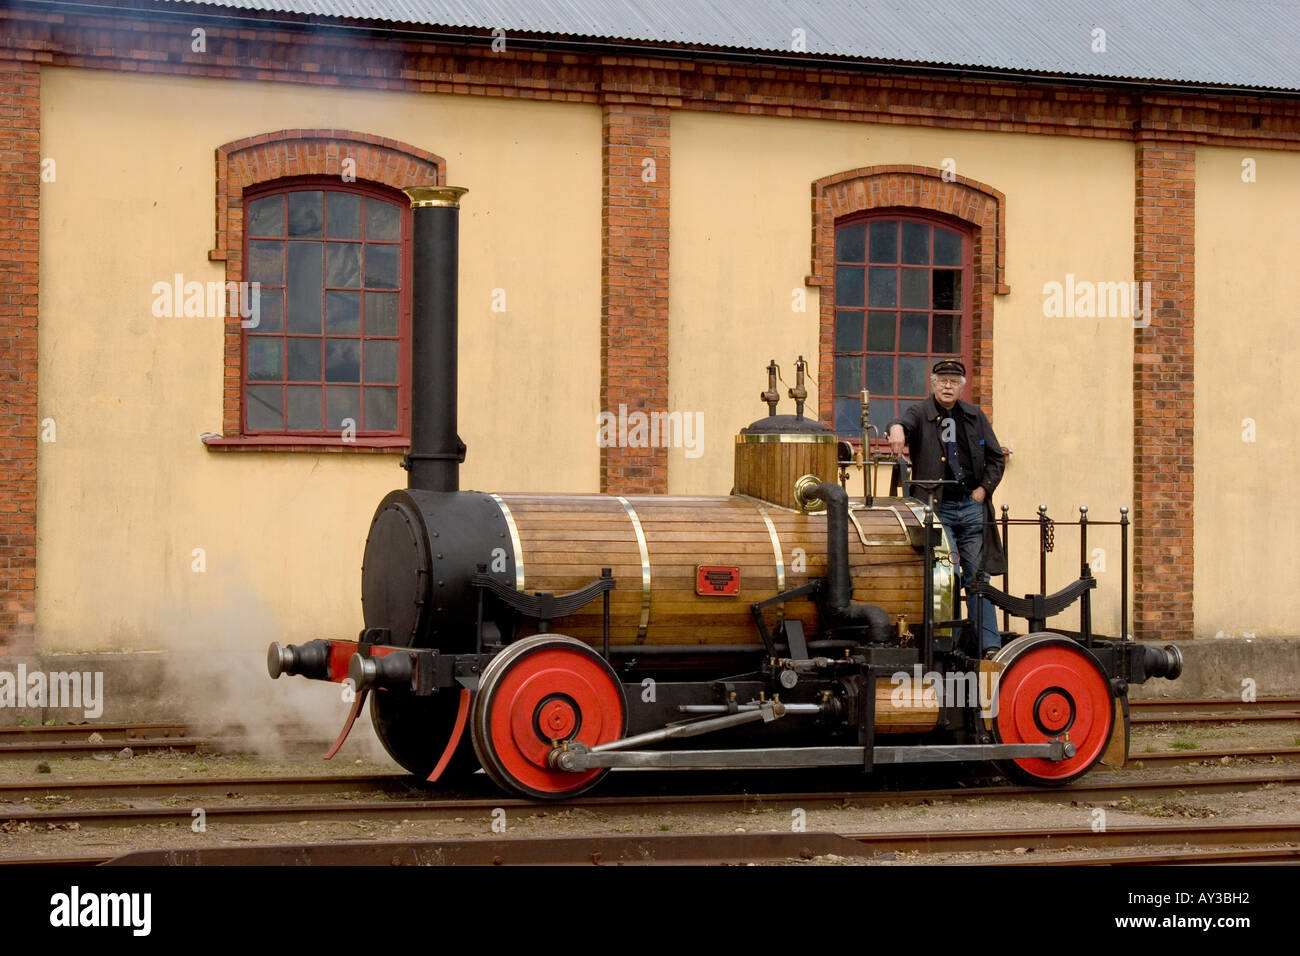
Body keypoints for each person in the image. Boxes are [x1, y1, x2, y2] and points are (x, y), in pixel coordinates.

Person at [886, 359, 1006, 656]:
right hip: (937, 510)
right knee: (947, 575)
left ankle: (990, 647)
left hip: (971, 506)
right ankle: (947, 646)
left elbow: (996, 459)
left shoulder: (975, 416)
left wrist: (983, 490)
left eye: (953, 381)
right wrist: (897, 429)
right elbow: (903, 422)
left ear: (962, 387)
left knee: (978, 579)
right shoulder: (921, 413)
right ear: (933, 384)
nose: (948, 386)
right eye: (942, 381)